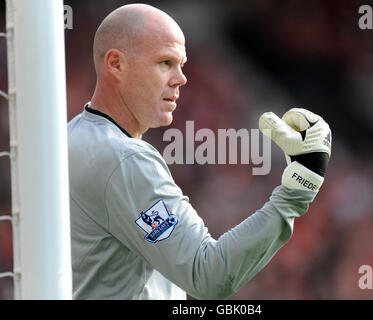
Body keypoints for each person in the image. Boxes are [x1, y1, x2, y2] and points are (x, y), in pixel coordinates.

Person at [68, 3, 331, 300]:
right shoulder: (124, 160)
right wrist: (298, 189)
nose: (181, 79)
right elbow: (208, 274)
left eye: (181, 64)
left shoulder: (69, 140)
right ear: (116, 64)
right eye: (165, 63)